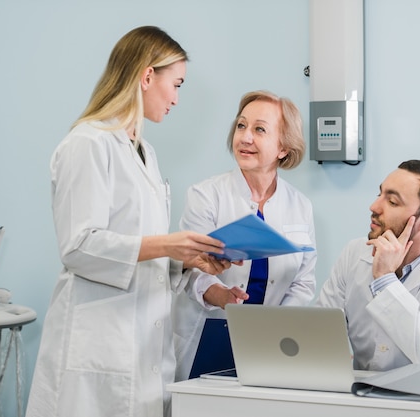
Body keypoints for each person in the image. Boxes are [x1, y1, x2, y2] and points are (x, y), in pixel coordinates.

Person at [25, 26, 232, 417]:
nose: (176, 98)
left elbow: (137, 247)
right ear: (147, 75)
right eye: (177, 83)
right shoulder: (87, 144)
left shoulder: (145, 153)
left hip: (141, 347)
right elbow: (79, 246)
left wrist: (186, 260)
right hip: (96, 349)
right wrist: (168, 245)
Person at [173, 90, 317, 381]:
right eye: (241, 126)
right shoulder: (206, 196)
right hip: (209, 333)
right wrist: (222, 296)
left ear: (283, 148)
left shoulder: (300, 205)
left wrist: (276, 324)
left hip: (270, 342)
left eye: (259, 129)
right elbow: (190, 270)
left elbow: (304, 281)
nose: (245, 137)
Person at [316, 160, 420, 373]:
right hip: (360, 398)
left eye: (393, 202)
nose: (374, 207)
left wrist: (385, 279)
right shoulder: (355, 254)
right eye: (380, 194)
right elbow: (318, 333)